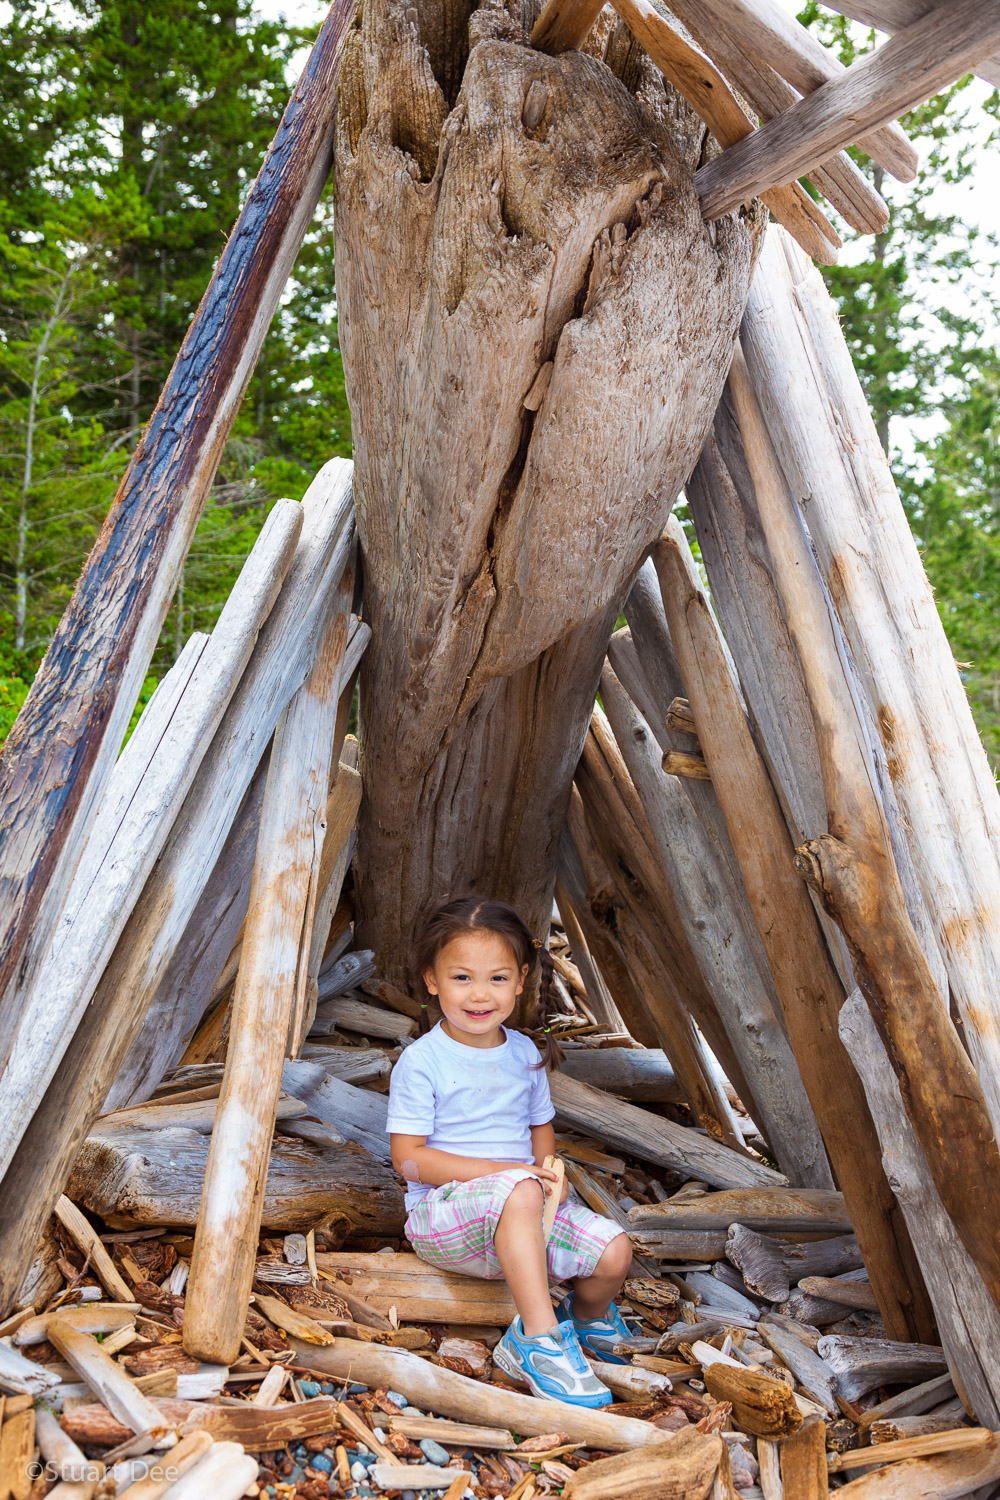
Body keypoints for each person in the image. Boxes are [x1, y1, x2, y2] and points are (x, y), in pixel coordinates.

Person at [386, 895, 633, 1409]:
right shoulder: (422, 1061)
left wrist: (548, 1180)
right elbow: (407, 1158)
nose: (480, 994)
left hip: (524, 1215)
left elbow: (540, 1132)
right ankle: (536, 1342)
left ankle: (583, 1323)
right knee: (517, 1188)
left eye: (497, 978)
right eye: (462, 978)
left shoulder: (523, 1053)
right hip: (445, 1218)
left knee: (614, 1251)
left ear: (521, 980)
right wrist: (512, 1175)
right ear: (431, 979)